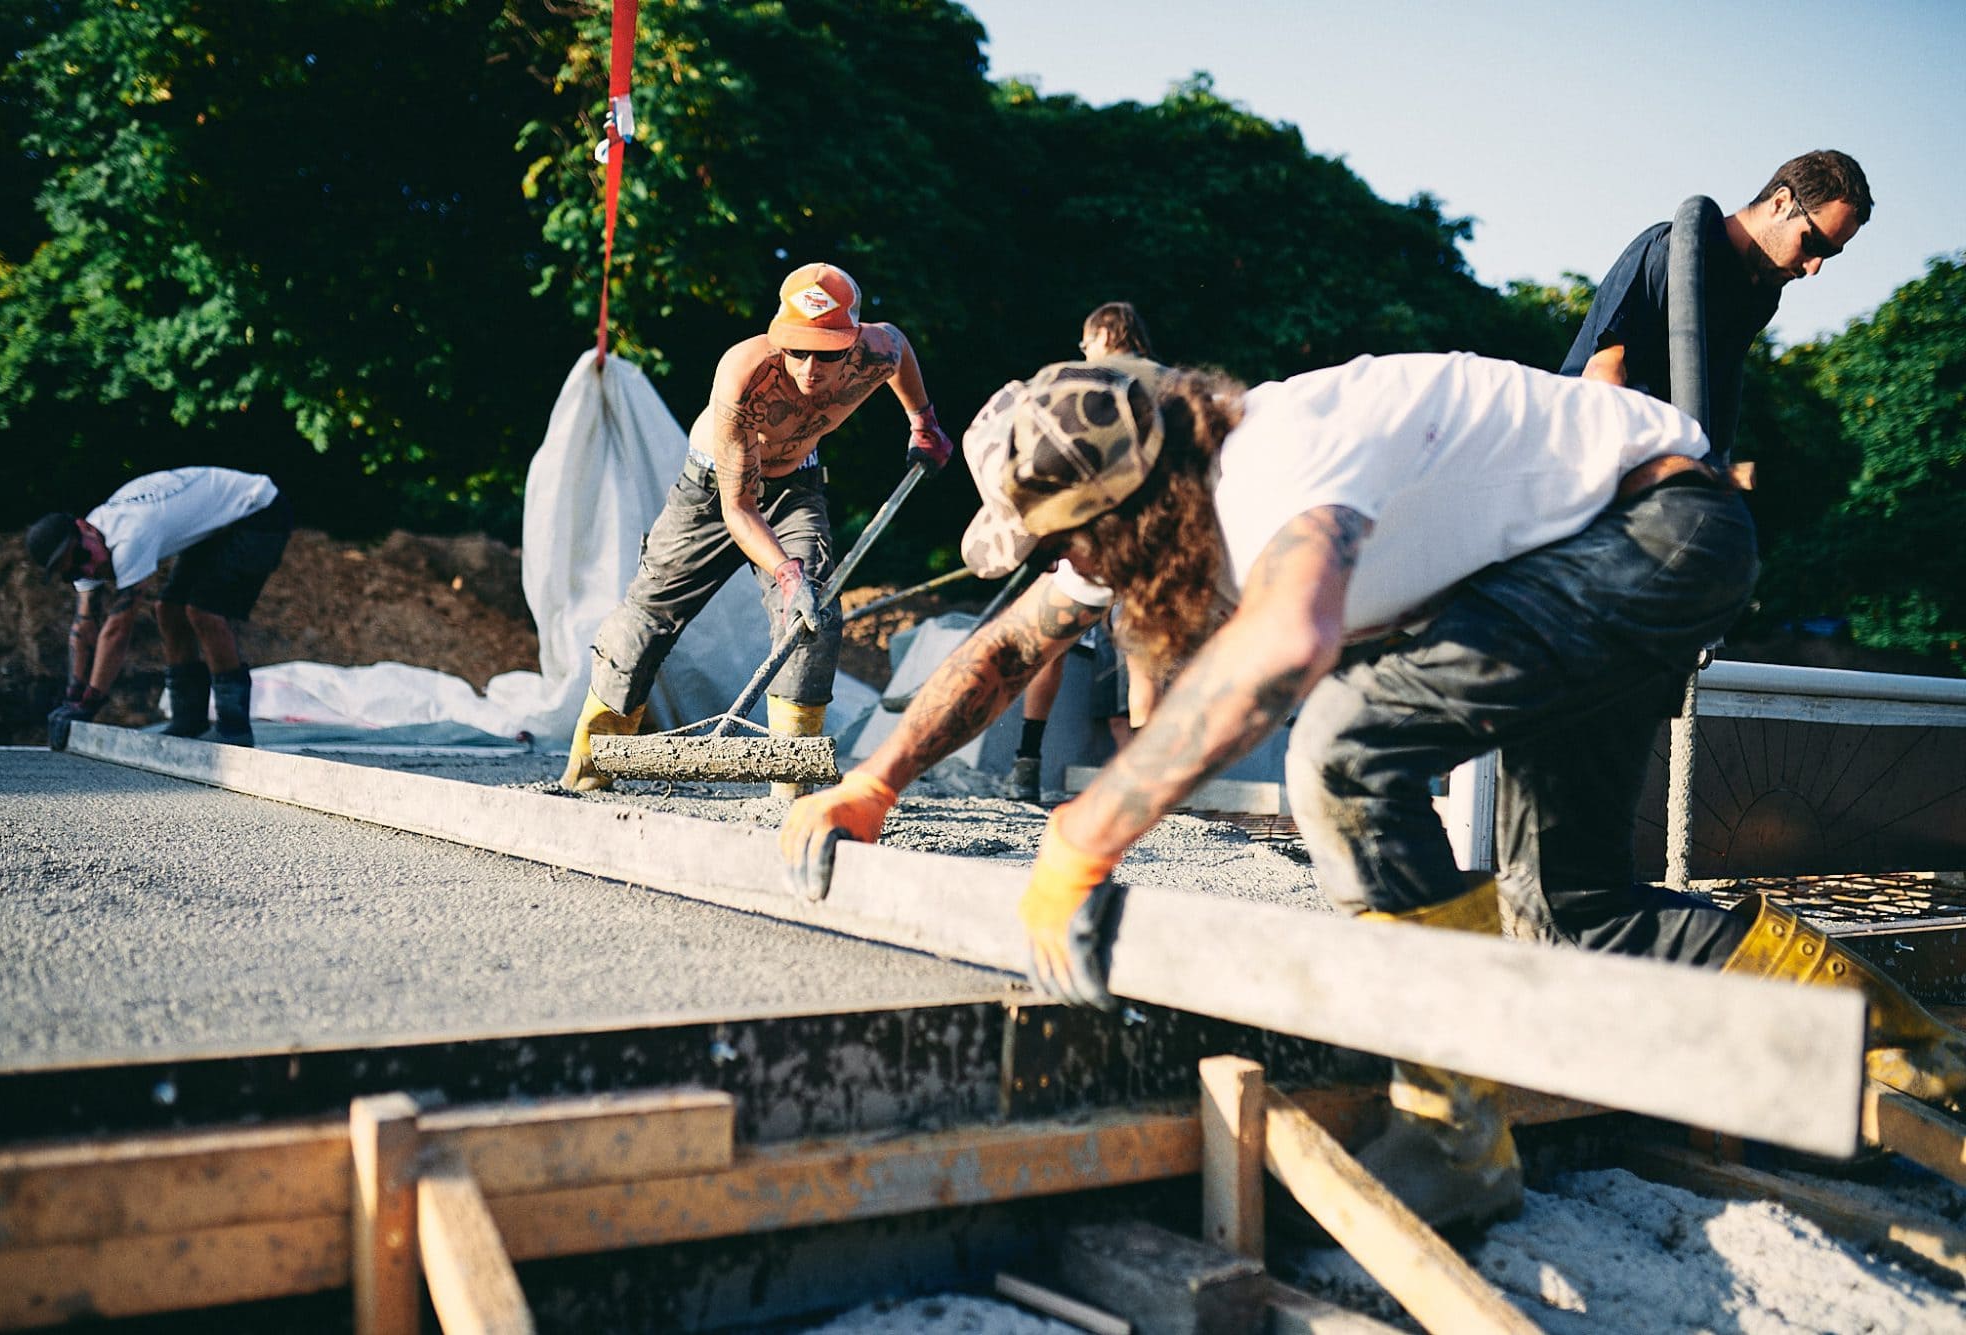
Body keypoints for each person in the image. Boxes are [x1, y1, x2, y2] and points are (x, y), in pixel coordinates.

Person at [781, 353, 1966, 1232]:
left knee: (1341, 748)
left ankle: (1452, 1134)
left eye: (1070, 544)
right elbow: (1006, 649)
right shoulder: (1160, 496)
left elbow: (1288, 642)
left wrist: (1088, 834)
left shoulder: (1276, 464)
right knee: (1577, 913)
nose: (1070, 571)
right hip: (1610, 553)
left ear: (1126, 508)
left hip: (1655, 532)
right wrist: (874, 781)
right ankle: (1903, 1062)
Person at [560, 262, 954, 798]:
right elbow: (739, 507)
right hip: (713, 491)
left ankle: (791, 789)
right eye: (798, 350)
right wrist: (786, 574)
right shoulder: (745, 375)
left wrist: (923, 422)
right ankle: (589, 768)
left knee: (813, 615)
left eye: (828, 353)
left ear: (853, 341)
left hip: (797, 485)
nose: (810, 368)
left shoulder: (878, 349)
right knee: (645, 620)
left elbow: (901, 353)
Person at [1561, 149, 1871, 456]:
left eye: (1830, 253)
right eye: (1813, 243)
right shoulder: (1670, 251)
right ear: (1780, 203)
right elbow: (1603, 376)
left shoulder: (1759, 295)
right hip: (1584, 455)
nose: (1814, 267)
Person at [1004, 302, 1162, 804]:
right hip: (1148, 538)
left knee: (1048, 644)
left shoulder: (1085, 382)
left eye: (1087, 340)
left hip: (1088, 534)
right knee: (1140, 657)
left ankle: (1026, 764)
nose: (1084, 350)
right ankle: (1145, 782)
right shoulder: (1171, 384)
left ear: (1105, 334)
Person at [26, 466, 294, 750]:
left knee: (203, 611)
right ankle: (189, 720)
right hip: (219, 525)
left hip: (260, 511)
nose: (89, 570)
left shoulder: (129, 536)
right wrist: (72, 699)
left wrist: (89, 703)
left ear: (85, 527)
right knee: (168, 609)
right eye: (72, 573)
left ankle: (234, 727)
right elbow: (84, 626)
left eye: (82, 558)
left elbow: (117, 630)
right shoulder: (88, 546)